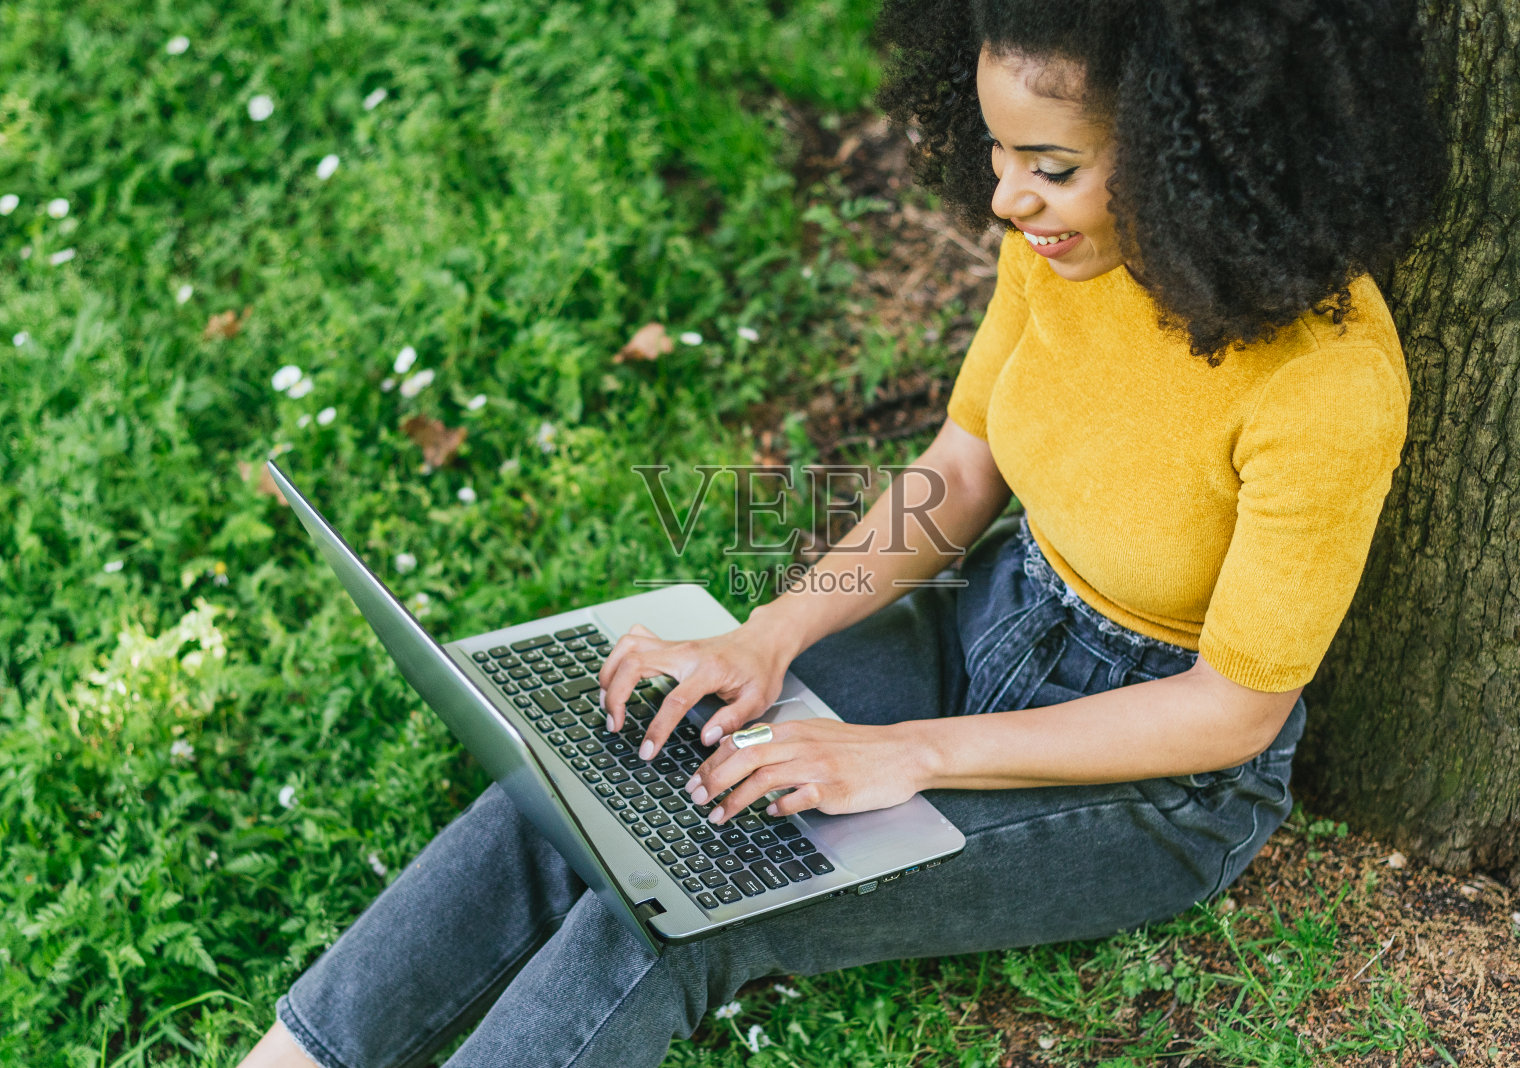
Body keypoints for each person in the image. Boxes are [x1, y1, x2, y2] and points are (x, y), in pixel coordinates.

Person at [240, 1, 1444, 1064]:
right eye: (995, 151)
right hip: (994, 617)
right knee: (608, 772)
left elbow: (1231, 707)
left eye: (1050, 166)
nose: (1004, 197)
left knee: (698, 903)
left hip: (1161, 775)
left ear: (1190, 162)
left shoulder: (1324, 385)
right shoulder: (1067, 251)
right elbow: (963, 467)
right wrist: (767, 641)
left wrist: (907, 753)